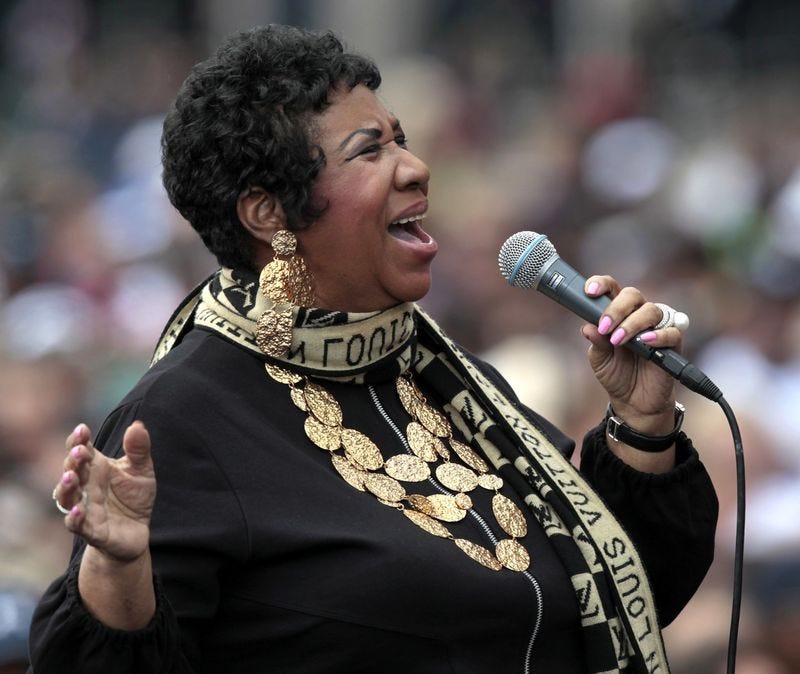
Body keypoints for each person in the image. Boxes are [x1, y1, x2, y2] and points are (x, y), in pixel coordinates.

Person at [28, 24, 718, 674]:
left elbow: (621, 608)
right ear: (270, 214)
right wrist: (116, 574)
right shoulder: (180, 420)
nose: (416, 167)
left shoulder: (451, 382)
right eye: (370, 150)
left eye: (401, 140)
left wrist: (640, 425)